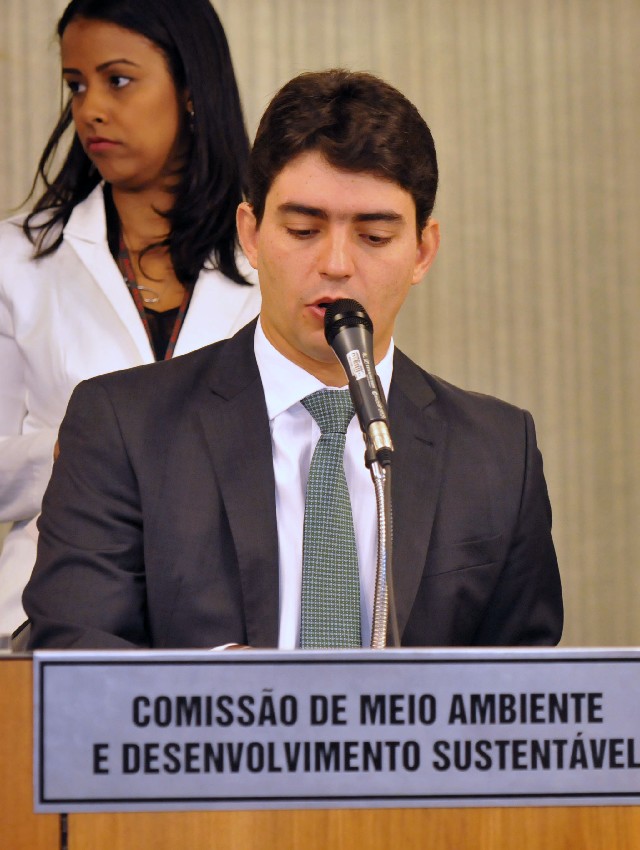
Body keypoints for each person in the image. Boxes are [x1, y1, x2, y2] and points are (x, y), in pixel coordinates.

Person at [23, 69, 563, 650]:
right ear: (252, 234)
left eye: (375, 237)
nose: (336, 264)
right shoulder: (124, 425)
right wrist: (231, 689)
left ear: (422, 251)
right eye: (304, 230)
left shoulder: (497, 452)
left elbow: (526, 685)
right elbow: (74, 652)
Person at [0, 0, 260, 635]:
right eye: (76, 85)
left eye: (117, 80)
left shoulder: (272, 259)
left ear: (191, 88)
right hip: (50, 610)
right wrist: (73, 451)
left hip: (229, 623)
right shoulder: (16, 259)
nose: (90, 108)